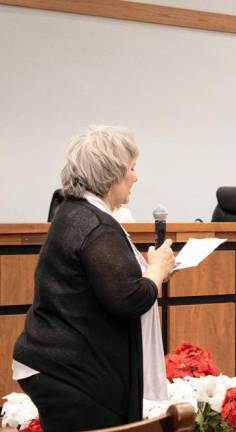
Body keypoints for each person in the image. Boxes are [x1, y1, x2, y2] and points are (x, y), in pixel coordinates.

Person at [12, 125, 176, 431]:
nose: (135, 177)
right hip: (71, 372)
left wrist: (152, 271)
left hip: (58, 365)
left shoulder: (74, 212)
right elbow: (128, 300)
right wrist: (156, 271)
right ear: (110, 173)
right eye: (131, 168)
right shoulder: (96, 225)